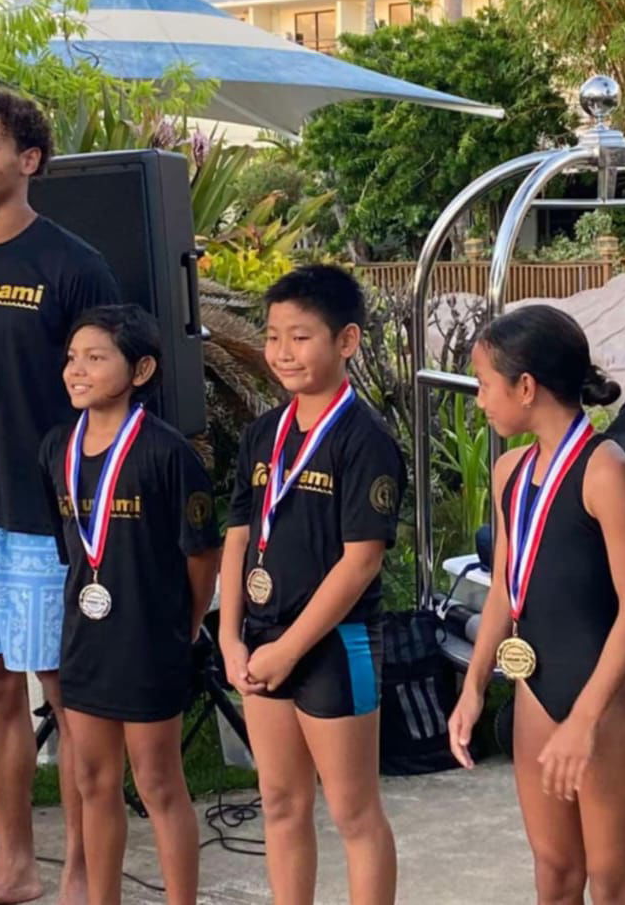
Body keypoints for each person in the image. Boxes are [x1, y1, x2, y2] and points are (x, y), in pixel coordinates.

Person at [0, 89, 121, 905]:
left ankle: (80, 871)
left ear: (28, 160)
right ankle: (15, 865)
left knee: (65, 697)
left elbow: (111, 392)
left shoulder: (74, 264)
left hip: (51, 517)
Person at [449, 305, 625, 905]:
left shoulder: (605, 471)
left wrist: (585, 719)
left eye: (486, 385)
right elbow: (506, 588)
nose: (481, 401)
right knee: (557, 872)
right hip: (537, 691)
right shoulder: (510, 471)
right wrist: (474, 684)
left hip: (606, 698)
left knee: (614, 885)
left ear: (525, 386)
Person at [218, 265, 405, 905]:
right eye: (274, 337)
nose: (282, 353)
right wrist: (229, 639)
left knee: (354, 813)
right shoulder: (262, 435)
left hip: (331, 647)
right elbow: (239, 535)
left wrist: (288, 649)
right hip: (261, 641)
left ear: (346, 341)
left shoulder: (366, 441)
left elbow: (361, 562)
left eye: (301, 337)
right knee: (279, 802)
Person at [38, 305, 221, 905]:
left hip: (149, 641)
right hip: (86, 640)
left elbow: (201, 556)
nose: (77, 371)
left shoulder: (169, 455)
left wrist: (185, 625)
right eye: (72, 358)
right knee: (93, 781)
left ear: (140, 369)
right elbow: (71, 547)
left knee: (159, 782)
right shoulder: (57, 450)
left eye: (96, 358)